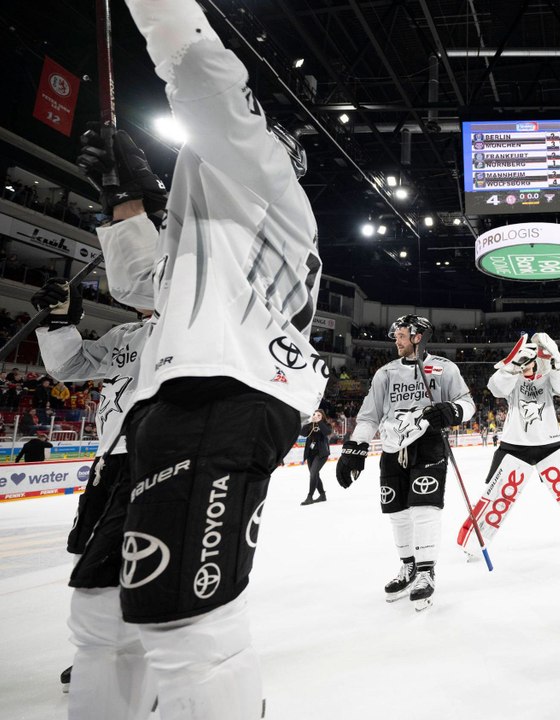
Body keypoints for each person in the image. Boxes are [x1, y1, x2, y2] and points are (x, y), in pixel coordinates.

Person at [73, 2, 327, 716]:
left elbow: (205, 75)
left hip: (226, 390)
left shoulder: (265, 171)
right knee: (101, 614)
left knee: (189, 629)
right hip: (178, 393)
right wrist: (126, 207)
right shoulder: (213, 225)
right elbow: (143, 287)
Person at [32, 270, 156, 719]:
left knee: (139, 557)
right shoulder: (126, 332)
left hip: (153, 456)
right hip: (110, 459)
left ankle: (137, 648)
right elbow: (71, 367)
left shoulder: (191, 328)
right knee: (90, 552)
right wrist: (59, 323)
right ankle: (107, 648)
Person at [336, 315, 475, 611]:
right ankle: (408, 567)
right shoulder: (385, 373)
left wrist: (451, 411)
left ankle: (426, 571)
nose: (396, 341)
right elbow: (369, 415)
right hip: (392, 447)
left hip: (428, 444)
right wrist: (354, 448)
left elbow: (467, 403)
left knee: (424, 509)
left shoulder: (445, 368)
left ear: (417, 336)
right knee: (397, 512)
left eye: (400, 335)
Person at [455, 332, 560, 557]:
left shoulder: (547, 377)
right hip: (515, 444)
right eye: (522, 363)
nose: (526, 367)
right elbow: (496, 388)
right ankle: (475, 541)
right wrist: (511, 367)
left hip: (550, 443)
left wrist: (558, 363)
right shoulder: (512, 379)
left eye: (529, 362)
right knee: (498, 494)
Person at [301, 411, 332, 505]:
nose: (316, 416)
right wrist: (310, 421)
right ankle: (322, 495)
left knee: (313, 473)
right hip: (310, 454)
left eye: (319, 415)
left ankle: (309, 496)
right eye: (315, 415)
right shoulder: (310, 425)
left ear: (323, 417)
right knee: (315, 474)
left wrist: (319, 422)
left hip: (321, 454)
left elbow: (327, 432)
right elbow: (302, 433)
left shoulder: (326, 425)